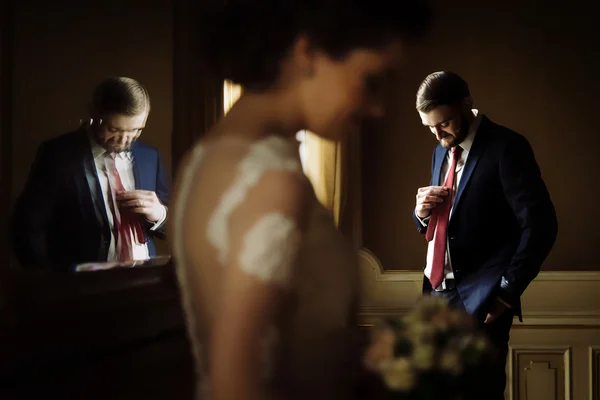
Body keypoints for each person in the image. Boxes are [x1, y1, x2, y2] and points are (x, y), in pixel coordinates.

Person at [170, 1, 431, 399]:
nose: (378, 108)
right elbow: (237, 385)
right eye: (373, 80)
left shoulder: (205, 157)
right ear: (307, 53)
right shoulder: (272, 181)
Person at [413, 71, 558, 399]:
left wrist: (507, 292)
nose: (438, 134)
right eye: (430, 128)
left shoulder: (507, 147)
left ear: (467, 103)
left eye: (444, 123)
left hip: (482, 300)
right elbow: (448, 222)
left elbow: (541, 226)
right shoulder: (441, 149)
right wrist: (421, 214)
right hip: (436, 296)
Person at [11, 76, 170, 271]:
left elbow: (172, 222)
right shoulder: (58, 155)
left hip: (144, 280)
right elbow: (27, 227)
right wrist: (46, 284)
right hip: (85, 288)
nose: (124, 141)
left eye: (136, 130)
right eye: (114, 129)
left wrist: (160, 214)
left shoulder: (149, 156)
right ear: (94, 114)